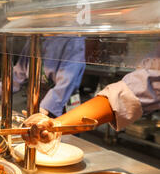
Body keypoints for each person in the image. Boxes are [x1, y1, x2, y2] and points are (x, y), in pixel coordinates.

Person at [22, 56, 160, 146]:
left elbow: (135, 90)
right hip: (47, 97)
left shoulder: (73, 39)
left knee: (73, 142)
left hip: (65, 97)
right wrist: (54, 125)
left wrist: (51, 119)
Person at [0, 37, 86, 118]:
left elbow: (68, 80)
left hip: (62, 103)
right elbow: (19, 72)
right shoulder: (35, 38)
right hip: (37, 99)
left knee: (62, 145)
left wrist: (45, 108)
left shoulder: (72, 39)